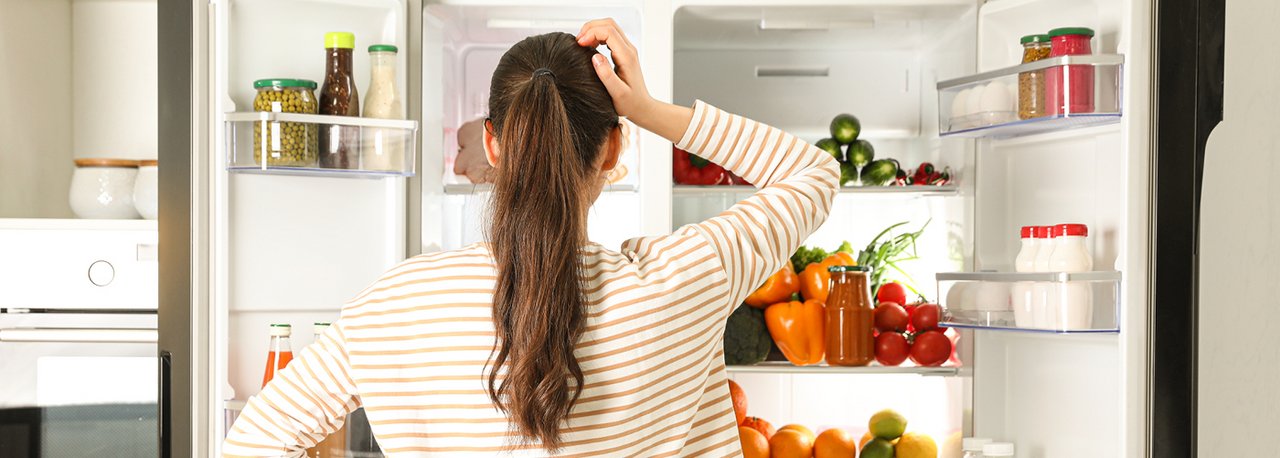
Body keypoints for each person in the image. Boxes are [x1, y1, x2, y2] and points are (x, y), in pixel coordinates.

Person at [223, 19, 839, 456]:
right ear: (614, 149)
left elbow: (255, 440)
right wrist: (648, 107)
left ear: (492, 144)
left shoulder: (397, 303)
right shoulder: (688, 276)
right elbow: (814, 172)